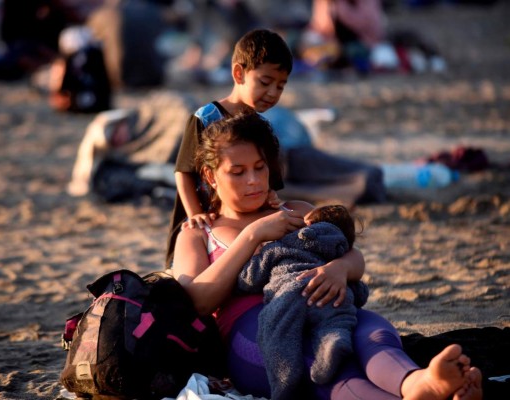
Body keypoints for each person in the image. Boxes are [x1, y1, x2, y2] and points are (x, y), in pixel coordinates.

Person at [171, 111, 483, 400]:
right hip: (255, 337)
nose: (253, 180)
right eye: (237, 172)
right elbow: (198, 300)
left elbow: (352, 256)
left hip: (322, 308)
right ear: (210, 176)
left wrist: (338, 269)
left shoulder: (295, 211)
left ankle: (416, 383)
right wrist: (253, 235)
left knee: (370, 328)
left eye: (260, 167)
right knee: (321, 358)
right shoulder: (198, 232)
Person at [165, 27, 385, 268]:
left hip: (244, 219)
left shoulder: (262, 125)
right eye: (265, 82)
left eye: (280, 86)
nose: (272, 93)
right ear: (239, 74)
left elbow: (271, 180)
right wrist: (196, 214)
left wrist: (269, 195)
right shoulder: (206, 117)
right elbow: (183, 171)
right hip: (207, 219)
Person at [237, 204, 369, 397]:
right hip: (330, 292)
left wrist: (259, 251)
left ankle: (285, 383)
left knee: (277, 333)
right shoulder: (339, 250)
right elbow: (360, 291)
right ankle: (334, 341)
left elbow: (248, 279)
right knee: (337, 322)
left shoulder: (281, 245)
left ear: (308, 224)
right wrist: (356, 292)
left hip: (289, 292)